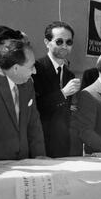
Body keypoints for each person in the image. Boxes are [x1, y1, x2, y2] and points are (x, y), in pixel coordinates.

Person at [32, 21, 80, 158]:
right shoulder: (35, 68)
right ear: (47, 42)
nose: (64, 46)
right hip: (40, 143)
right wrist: (63, 93)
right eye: (59, 41)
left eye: (69, 42)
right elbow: (36, 105)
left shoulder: (69, 74)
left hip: (62, 143)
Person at [0, 40, 45, 160]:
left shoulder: (27, 84)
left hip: (23, 163)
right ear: (16, 68)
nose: (35, 71)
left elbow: (34, 123)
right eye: (31, 66)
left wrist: (40, 155)